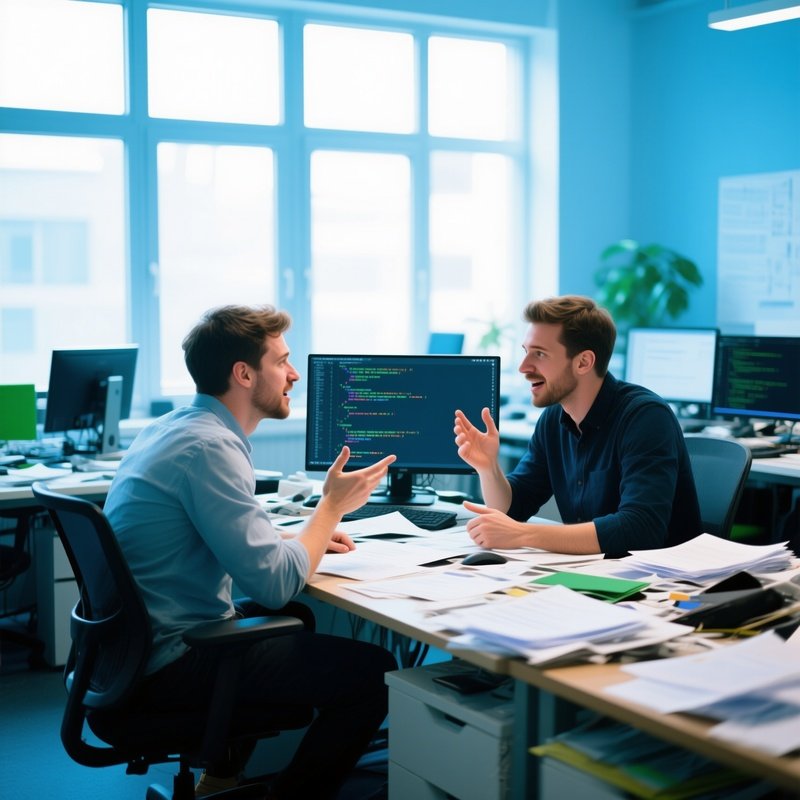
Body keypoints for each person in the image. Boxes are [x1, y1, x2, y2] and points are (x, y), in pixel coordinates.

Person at [103, 304, 398, 799]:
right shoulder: (210, 448)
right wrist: (330, 508)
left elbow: (206, 532)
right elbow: (276, 585)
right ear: (243, 374)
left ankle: (220, 778)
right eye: (281, 361)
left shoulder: (176, 428)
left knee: (297, 618)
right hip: (170, 663)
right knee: (375, 672)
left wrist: (297, 538)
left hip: (128, 652)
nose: (294, 374)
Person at [454, 295, 702, 559]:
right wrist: (488, 468)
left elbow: (641, 529)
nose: (523, 368)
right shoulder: (553, 419)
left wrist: (523, 535)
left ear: (583, 362)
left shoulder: (645, 418)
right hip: (596, 571)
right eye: (526, 352)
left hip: (660, 577)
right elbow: (512, 509)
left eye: (540, 354)